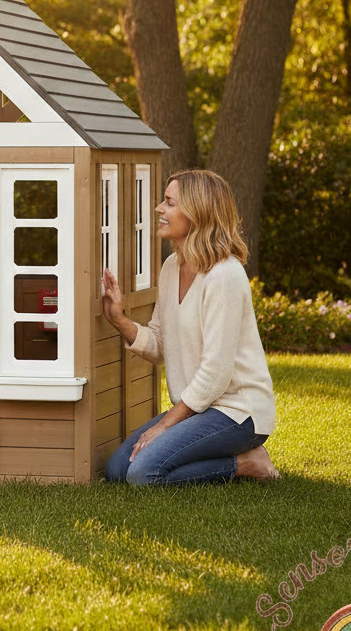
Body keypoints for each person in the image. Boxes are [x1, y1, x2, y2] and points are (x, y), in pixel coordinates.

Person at [102, 168, 279, 485]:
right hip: (200, 408)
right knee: (117, 470)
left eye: (169, 203)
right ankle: (219, 455)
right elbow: (159, 344)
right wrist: (119, 319)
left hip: (238, 412)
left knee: (143, 474)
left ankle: (247, 462)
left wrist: (165, 425)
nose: (159, 209)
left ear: (196, 214)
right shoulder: (171, 267)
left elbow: (216, 371)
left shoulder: (224, 275)